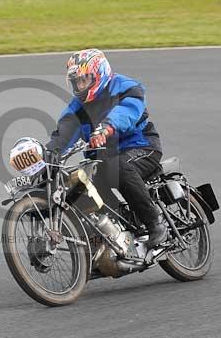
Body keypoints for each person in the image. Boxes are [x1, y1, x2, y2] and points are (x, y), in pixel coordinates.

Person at [46, 48, 168, 248]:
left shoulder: (124, 87)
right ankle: (118, 229)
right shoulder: (77, 107)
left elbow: (127, 111)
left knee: (118, 168)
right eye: (76, 82)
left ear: (99, 74)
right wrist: (45, 155)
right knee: (83, 186)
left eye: (84, 79)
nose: (80, 86)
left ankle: (155, 222)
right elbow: (63, 134)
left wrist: (107, 127)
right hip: (104, 159)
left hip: (142, 146)